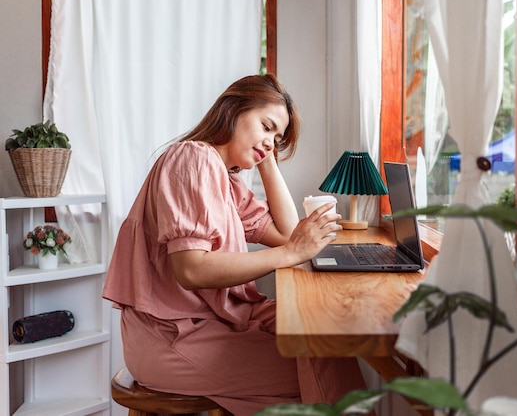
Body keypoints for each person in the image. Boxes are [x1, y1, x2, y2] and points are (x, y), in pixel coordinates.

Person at [102, 74, 366, 415]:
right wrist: (289, 253)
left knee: (324, 338)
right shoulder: (193, 158)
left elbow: (288, 234)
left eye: (278, 137)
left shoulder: (227, 180)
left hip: (215, 322)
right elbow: (192, 269)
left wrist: (266, 155)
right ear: (233, 110)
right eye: (266, 125)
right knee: (327, 371)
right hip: (172, 338)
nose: (272, 141)